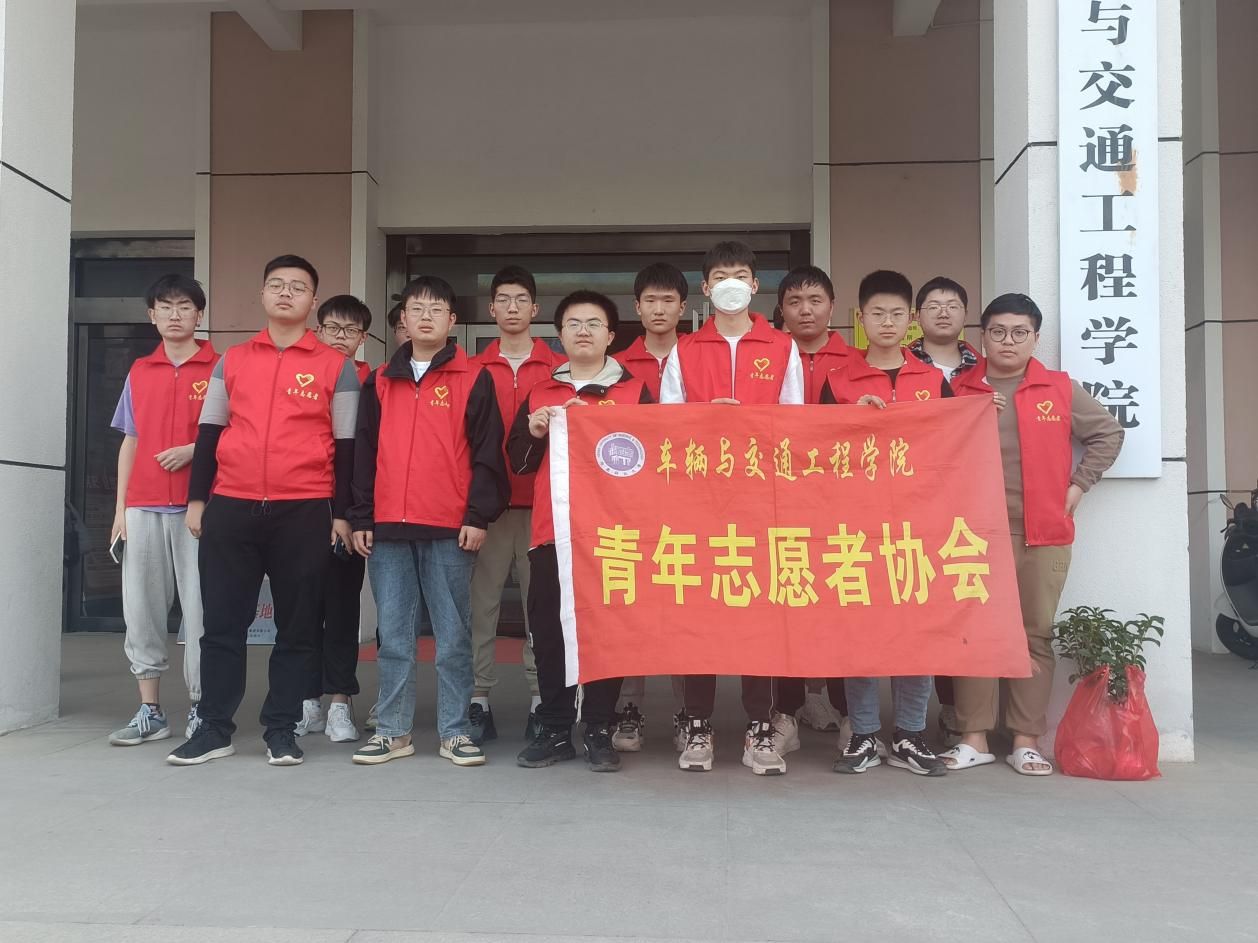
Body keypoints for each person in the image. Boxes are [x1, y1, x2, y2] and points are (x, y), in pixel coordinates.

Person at [168, 255, 360, 767]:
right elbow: (210, 432)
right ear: (263, 294)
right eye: (276, 284)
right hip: (232, 504)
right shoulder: (232, 360)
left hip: (304, 508)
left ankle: (281, 728)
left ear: (312, 302)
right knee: (221, 625)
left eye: (297, 287)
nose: (286, 293)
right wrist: (198, 499)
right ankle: (214, 728)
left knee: (298, 627)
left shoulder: (335, 365)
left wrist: (342, 513)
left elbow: (347, 445)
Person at [945, 293, 1124, 776]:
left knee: (1034, 634)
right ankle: (973, 737)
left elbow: (1108, 433)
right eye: (998, 332)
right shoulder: (959, 389)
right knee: (973, 632)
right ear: (983, 337)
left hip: (1042, 533)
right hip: (972, 534)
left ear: (1035, 338)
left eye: (1019, 332)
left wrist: (1078, 485)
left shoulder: (1059, 389)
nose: (1008, 341)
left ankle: (1026, 740)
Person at [348, 276, 508, 767]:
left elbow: (488, 454)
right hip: (388, 527)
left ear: (452, 321)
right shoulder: (380, 380)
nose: (425, 317)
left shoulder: (473, 377)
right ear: (403, 320)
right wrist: (361, 515)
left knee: (452, 637)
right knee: (394, 637)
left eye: (436, 309)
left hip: (448, 527)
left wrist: (477, 515)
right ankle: (393, 731)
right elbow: (363, 454)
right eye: (416, 309)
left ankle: (454, 731)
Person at [660, 240, 804, 776]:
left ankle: (760, 726)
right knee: (701, 612)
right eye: (721, 276)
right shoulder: (685, 350)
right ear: (705, 288)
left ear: (755, 285)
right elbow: (667, 427)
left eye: (741, 275)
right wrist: (707, 419)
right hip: (700, 504)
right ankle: (697, 722)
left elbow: (796, 424)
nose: (731, 284)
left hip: (762, 505)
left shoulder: (782, 347)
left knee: (758, 615)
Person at [821, 270, 959, 778]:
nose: (886, 322)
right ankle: (863, 733)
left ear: (912, 319)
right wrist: (849, 420)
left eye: (897, 314)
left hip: (919, 527)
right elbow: (816, 453)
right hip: (855, 528)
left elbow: (955, 449)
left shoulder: (935, 381)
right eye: (876, 313)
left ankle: (909, 734)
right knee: (861, 633)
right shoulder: (838, 380)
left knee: (915, 633)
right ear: (860, 318)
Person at [507, 290, 651, 772]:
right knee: (550, 633)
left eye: (593, 324)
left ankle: (599, 728)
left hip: (614, 535)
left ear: (611, 335)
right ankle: (553, 727)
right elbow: (518, 463)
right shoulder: (541, 393)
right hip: (552, 533)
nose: (583, 331)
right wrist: (534, 432)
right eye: (573, 324)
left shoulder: (634, 392)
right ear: (560, 335)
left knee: (606, 632)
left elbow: (656, 462)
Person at [108, 275, 218, 747]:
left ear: (199, 315)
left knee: (201, 612)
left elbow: (236, 431)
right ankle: (150, 710)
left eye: (185, 306)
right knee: (142, 609)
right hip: (144, 505)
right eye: (166, 306)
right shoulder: (139, 370)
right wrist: (120, 509)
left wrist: (194, 450)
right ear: (151, 314)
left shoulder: (220, 368)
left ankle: (201, 708)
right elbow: (130, 441)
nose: (175, 314)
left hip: (200, 508)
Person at [466, 266, 563, 745]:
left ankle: (540, 698)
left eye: (521, 299)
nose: (511, 307)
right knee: (480, 605)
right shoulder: (471, 368)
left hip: (543, 506)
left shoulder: (559, 368)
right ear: (491, 309)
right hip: (489, 508)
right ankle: (478, 698)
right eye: (503, 299)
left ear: (535, 308)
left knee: (538, 609)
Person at [770, 265, 852, 751]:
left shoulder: (855, 361)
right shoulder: (769, 357)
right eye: (795, 301)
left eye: (815, 300)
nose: (805, 310)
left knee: (839, 604)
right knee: (785, 603)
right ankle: (785, 711)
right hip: (779, 501)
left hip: (840, 506)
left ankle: (843, 709)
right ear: (781, 309)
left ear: (832, 306)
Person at [611, 261, 690, 751]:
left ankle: (688, 712)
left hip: (689, 503)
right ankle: (629, 709)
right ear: (636, 307)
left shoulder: (699, 357)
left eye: (668, 301)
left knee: (685, 604)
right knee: (631, 605)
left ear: (684, 307)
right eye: (650, 301)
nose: (659, 309)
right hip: (629, 506)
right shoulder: (615, 364)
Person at [290, 295, 375, 743]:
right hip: (303, 505)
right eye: (333, 329)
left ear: (363, 338)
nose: (341, 337)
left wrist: (352, 513)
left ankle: (340, 702)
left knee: (342, 608)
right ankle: (308, 701)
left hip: (350, 510)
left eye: (351, 330)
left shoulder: (374, 382)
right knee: (303, 607)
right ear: (318, 331)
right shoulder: (299, 376)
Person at [906, 275, 981, 739]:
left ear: (965, 314)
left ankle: (956, 709)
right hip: (909, 507)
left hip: (966, 505)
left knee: (958, 606)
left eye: (952, 304)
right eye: (933, 305)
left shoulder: (986, 370)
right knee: (914, 606)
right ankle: (893, 720)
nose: (943, 312)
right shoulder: (900, 365)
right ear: (917, 316)